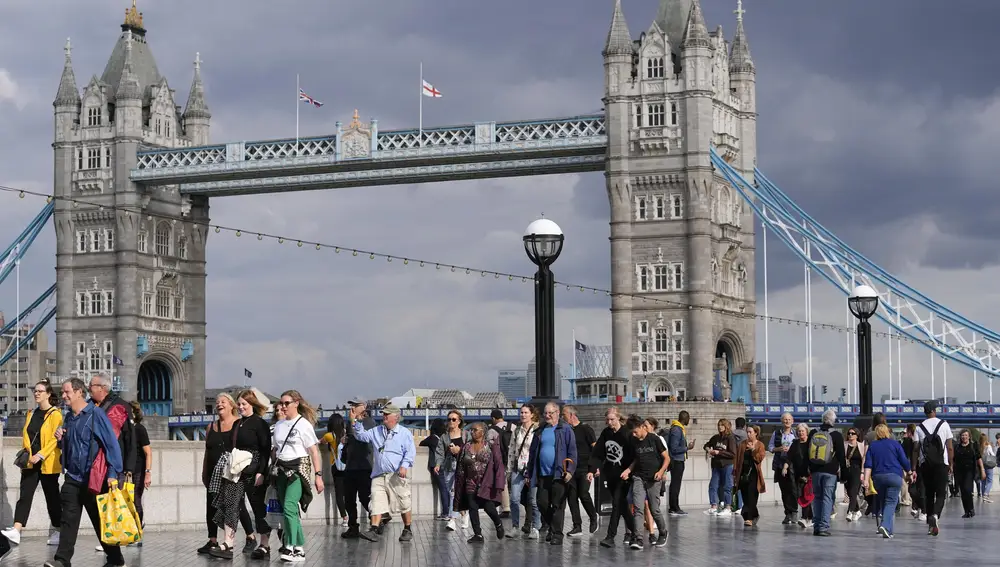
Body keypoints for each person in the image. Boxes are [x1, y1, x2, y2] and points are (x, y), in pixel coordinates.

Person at [42, 378, 124, 567]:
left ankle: (115, 559)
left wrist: (113, 473)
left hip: (94, 479)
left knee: (99, 522)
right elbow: (70, 448)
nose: (63, 396)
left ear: (79, 392)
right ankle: (62, 560)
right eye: (63, 392)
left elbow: (111, 445)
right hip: (73, 477)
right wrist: (62, 439)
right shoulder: (69, 417)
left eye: (67, 392)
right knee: (68, 520)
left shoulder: (96, 415)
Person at [2, 380, 63, 546]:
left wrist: (41, 455)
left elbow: (54, 440)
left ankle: (58, 530)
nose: (36, 393)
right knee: (25, 494)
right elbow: (27, 436)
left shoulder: (55, 414)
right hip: (30, 461)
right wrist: (29, 454)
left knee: (52, 497)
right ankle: (17, 529)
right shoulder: (31, 413)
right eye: (35, 391)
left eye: (40, 391)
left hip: (47, 463)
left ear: (48, 394)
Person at [348, 403, 416, 543]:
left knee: (404, 502)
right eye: (383, 414)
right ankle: (373, 529)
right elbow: (361, 436)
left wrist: (404, 466)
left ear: (396, 417)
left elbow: (410, 452)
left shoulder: (404, 433)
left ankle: (407, 528)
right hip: (379, 474)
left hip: (396, 474)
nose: (384, 416)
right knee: (376, 500)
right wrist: (356, 421)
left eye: (387, 414)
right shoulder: (376, 430)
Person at [198, 393, 254, 555]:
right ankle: (212, 540)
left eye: (223, 401)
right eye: (217, 402)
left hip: (231, 472)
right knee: (210, 504)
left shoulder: (238, 425)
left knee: (237, 505)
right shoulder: (211, 426)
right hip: (213, 473)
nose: (219, 404)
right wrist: (204, 471)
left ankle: (250, 536)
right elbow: (207, 451)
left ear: (231, 405)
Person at [271, 390, 324, 563]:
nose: (283, 407)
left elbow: (314, 451)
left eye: (286, 403)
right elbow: (275, 449)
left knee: (289, 506)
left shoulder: (303, 425)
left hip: (297, 470)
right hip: (280, 470)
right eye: (281, 403)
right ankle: (300, 547)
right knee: (291, 510)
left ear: (296, 403)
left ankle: (290, 545)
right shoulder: (279, 426)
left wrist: (318, 475)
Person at [525, 401, 577, 546]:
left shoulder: (565, 429)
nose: (547, 416)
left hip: (559, 474)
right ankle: (551, 527)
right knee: (542, 503)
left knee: (557, 505)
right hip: (542, 474)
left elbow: (572, 452)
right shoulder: (540, 430)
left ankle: (557, 534)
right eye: (545, 413)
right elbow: (532, 453)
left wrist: (570, 471)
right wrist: (529, 473)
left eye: (550, 413)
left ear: (557, 413)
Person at [231, 390, 274, 561]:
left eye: (244, 404)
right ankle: (249, 536)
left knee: (258, 508)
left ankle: (265, 544)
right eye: (239, 404)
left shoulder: (259, 423)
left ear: (252, 405)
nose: (240, 407)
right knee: (236, 505)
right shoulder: (237, 424)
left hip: (254, 470)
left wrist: (261, 472)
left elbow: (265, 450)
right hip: (238, 471)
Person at [453, 422, 507, 543]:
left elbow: (499, 465)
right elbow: (461, 466)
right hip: (470, 481)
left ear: (483, 432)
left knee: (488, 506)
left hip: (485, 482)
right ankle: (478, 534)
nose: (472, 432)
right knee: (472, 507)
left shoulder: (490, 446)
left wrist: (499, 484)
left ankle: (498, 524)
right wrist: (458, 485)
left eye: (475, 430)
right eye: (471, 430)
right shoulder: (466, 447)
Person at [620, 417, 668, 550]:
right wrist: (628, 470)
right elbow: (636, 459)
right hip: (638, 478)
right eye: (632, 433)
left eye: (635, 432)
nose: (634, 435)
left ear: (642, 427)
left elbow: (667, 458)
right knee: (638, 508)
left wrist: (661, 471)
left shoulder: (654, 439)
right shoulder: (633, 441)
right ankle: (638, 538)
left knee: (654, 509)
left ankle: (663, 532)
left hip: (654, 479)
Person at [591, 407, 636, 548]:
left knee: (617, 504)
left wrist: (629, 471)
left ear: (618, 418)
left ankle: (610, 536)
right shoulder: (606, 433)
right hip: (610, 474)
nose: (609, 422)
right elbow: (598, 452)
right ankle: (636, 532)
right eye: (608, 420)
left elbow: (635, 455)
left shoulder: (627, 433)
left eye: (612, 419)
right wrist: (593, 469)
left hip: (623, 476)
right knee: (622, 506)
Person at [862, 423, 912, 539]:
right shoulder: (895, 444)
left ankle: (889, 531)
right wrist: (909, 473)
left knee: (884, 502)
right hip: (894, 476)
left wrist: (865, 480)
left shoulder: (873, 446)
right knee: (890, 503)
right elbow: (904, 461)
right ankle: (884, 525)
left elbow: (868, 464)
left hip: (878, 477)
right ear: (887, 432)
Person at [912, 401, 953, 536]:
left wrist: (913, 468)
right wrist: (951, 464)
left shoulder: (919, 428)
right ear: (934, 410)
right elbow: (950, 447)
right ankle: (935, 515)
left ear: (924, 412)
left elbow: (916, 449)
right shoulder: (944, 425)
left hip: (926, 465)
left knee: (929, 494)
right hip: (942, 464)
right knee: (941, 494)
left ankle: (930, 525)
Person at [806, 409, 848, 536]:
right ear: (833, 421)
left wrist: (807, 469)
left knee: (817, 498)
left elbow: (806, 453)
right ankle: (824, 527)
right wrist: (844, 474)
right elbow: (841, 456)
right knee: (827, 498)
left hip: (815, 471)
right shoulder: (836, 435)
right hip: (830, 472)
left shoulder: (813, 432)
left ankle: (817, 526)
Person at [340, 397, 376, 539]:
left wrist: (354, 422)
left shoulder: (369, 422)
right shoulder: (350, 423)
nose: (353, 408)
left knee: (364, 497)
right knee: (348, 499)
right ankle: (353, 526)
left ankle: (377, 520)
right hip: (350, 466)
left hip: (364, 466)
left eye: (356, 405)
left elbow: (363, 438)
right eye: (352, 405)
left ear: (364, 406)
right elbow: (350, 439)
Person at [562, 404, 598, 536]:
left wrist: (594, 468)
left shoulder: (586, 429)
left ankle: (593, 516)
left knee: (583, 494)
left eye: (564, 414)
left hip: (584, 468)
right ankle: (577, 526)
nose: (562, 417)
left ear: (572, 415)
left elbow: (595, 449)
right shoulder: (567, 430)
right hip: (571, 469)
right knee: (572, 497)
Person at [435, 410, 470, 531]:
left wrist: (459, 450)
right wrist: (438, 464)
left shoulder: (466, 434)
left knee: (455, 493)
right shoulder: (444, 437)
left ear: (459, 421)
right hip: (449, 467)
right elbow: (439, 452)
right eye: (449, 419)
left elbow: (471, 449)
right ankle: (464, 514)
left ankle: (452, 520)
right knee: (451, 493)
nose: (451, 421)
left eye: (454, 419)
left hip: (463, 467)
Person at [702, 419, 737, 516]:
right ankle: (714, 506)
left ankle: (728, 507)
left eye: (722, 425)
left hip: (727, 465)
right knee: (713, 485)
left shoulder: (730, 438)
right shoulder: (715, 438)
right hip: (716, 465)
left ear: (727, 426)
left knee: (727, 486)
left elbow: (733, 454)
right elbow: (706, 445)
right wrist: (708, 449)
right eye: (718, 425)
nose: (719, 427)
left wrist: (719, 452)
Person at [733, 424, 766, 527]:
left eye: (750, 432)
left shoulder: (760, 445)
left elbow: (759, 458)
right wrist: (735, 472)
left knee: (752, 497)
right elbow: (737, 459)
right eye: (747, 432)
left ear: (756, 433)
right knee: (745, 497)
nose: (748, 434)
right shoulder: (743, 444)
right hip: (743, 474)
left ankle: (749, 518)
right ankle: (754, 515)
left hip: (754, 475)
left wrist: (753, 450)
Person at [768, 412, 797, 524]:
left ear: (792, 421)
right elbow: (770, 447)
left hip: (793, 465)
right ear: (782, 421)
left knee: (793, 489)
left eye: (789, 419)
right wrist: (778, 449)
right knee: (784, 490)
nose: (787, 421)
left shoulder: (796, 433)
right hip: (780, 464)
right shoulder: (777, 433)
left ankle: (794, 511)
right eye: (785, 420)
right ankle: (787, 513)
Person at [665, 410, 695, 517]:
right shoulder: (677, 430)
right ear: (685, 418)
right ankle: (674, 507)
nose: (688, 421)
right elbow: (674, 448)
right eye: (688, 419)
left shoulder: (679, 429)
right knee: (675, 485)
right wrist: (688, 448)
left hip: (679, 460)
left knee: (675, 484)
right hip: (676, 461)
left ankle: (674, 507)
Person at [322, 413, 350, 527]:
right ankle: (352, 515)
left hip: (336, 467)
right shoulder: (347, 434)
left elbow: (319, 441)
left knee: (339, 494)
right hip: (348, 466)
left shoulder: (330, 436)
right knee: (348, 493)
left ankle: (345, 517)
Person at [129, 402, 152, 532]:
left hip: (138, 469)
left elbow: (148, 452)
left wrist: (148, 473)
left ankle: (138, 530)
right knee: (129, 501)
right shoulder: (125, 429)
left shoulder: (140, 429)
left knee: (136, 499)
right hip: (126, 470)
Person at [487, 409, 514, 517]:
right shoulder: (513, 427)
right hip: (513, 459)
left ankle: (506, 508)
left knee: (503, 483)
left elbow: (489, 447)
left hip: (500, 460)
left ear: (493, 418)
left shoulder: (492, 430)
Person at [953, 429, 985, 518]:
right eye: (962, 435)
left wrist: (982, 470)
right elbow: (953, 459)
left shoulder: (973, 446)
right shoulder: (957, 447)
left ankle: (971, 509)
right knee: (963, 492)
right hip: (959, 471)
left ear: (969, 436)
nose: (964, 437)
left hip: (970, 471)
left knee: (967, 490)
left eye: (966, 435)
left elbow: (979, 458)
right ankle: (967, 511)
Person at [843, 427, 866, 522]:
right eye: (849, 433)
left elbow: (864, 460)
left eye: (852, 433)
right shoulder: (844, 445)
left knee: (853, 491)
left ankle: (850, 511)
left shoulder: (861, 445)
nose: (850, 435)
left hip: (857, 471)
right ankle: (857, 510)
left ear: (857, 435)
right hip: (847, 471)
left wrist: (863, 472)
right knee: (849, 492)